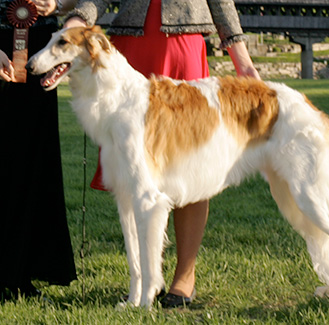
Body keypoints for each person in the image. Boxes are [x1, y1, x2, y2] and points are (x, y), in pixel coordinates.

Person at [64, 0, 260, 307]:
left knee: (190, 165)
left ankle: (185, 276)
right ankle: (143, 281)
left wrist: (243, 61)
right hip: (130, 52)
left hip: (183, 47)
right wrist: (78, 18)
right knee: (136, 180)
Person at [0, 0, 77, 300]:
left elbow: (81, 2)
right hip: (1, 48)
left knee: (33, 163)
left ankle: (20, 274)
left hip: (41, 52)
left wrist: (57, 4)